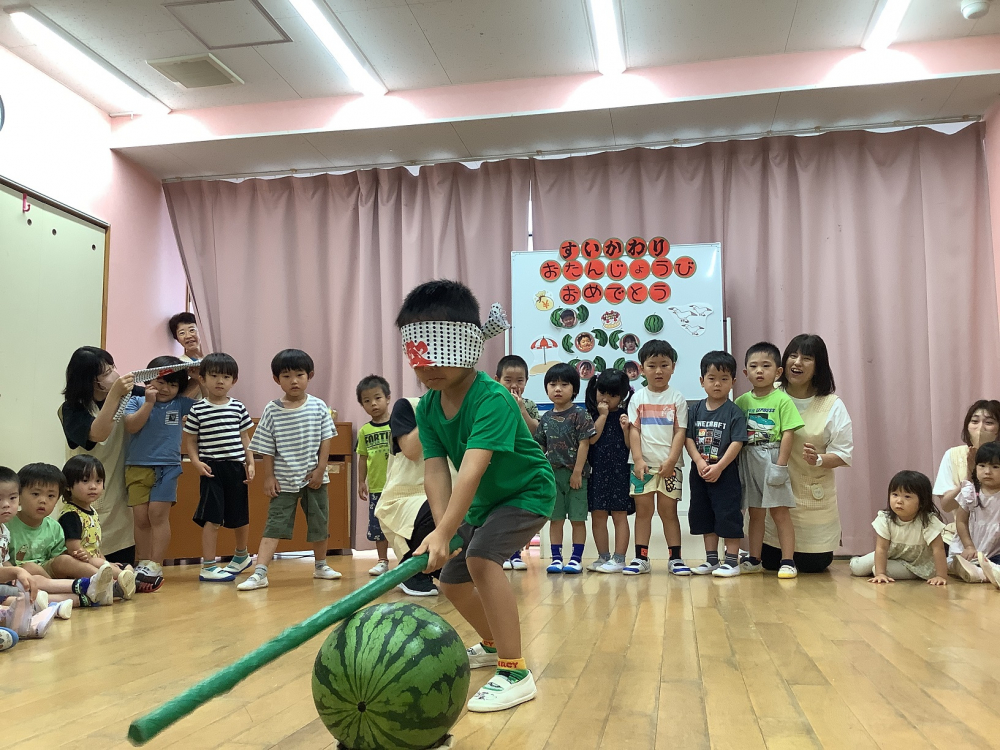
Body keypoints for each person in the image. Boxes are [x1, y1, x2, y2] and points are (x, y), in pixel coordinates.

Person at [399, 280, 555, 712]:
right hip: (487, 503)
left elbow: (472, 467)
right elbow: (435, 469)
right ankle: (492, 642)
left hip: (527, 492)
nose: (428, 364)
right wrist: (440, 532)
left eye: (440, 349)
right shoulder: (429, 406)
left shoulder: (493, 398)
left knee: (481, 559)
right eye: (417, 354)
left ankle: (515, 671)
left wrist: (449, 528)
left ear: (468, 344)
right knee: (451, 581)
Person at [237, 349, 341, 591]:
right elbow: (267, 447)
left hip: (314, 479)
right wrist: (268, 476)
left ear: (309, 375)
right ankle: (260, 572)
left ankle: (321, 565)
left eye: (299, 374)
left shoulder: (318, 406)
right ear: (276, 379)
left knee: (319, 523)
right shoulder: (272, 410)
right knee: (274, 524)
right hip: (283, 481)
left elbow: (326, 439)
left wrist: (320, 469)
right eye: (286, 376)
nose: (293, 380)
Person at [763, 334, 853, 573]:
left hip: (812, 501)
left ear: (819, 366)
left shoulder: (831, 404)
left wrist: (820, 458)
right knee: (770, 562)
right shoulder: (769, 394)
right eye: (793, 355)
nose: (797, 362)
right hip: (775, 499)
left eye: (807, 358)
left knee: (814, 566)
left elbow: (844, 454)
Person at [59, 346, 138, 567]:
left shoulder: (127, 397)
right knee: (88, 565)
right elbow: (97, 433)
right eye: (105, 372)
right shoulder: (70, 410)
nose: (114, 374)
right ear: (90, 380)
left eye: (113, 367)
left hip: (120, 498)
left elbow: (161, 394)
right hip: (86, 496)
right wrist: (115, 394)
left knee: (122, 568)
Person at [124, 356, 196, 592]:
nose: (166, 388)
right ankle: (142, 562)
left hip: (168, 466)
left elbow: (205, 398)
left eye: (173, 384)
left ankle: (156, 564)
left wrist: (195, 376)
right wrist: (148, 402)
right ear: (148, 380)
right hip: (136, 466)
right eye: (161, 382)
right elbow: (132, 426)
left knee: (157, 515)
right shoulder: (135, 400)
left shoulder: (180, 404)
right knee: (141, 518)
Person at [182, 353, 255, 583]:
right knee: (212, 518)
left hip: (236, 467)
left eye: (226, 376)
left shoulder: (238, 407)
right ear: (202, 379)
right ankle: (209, 564)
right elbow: (190, 440)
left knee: (240, 514)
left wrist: (250, 462)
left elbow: (246, 438)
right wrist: (195, 462)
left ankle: (242, 555)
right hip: (211, 468)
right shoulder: (198, 409)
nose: (220, 381)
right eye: (214, 376)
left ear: (234, 380)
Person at [734, 342, 804, 578]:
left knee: (780, 512)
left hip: (773, 457)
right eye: (753, 366)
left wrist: (780, 465)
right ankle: (754, 558)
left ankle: (787, 561)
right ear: (745, 373)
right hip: (748, 458)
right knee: (755, 513)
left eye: (766, 365)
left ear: (778, 372)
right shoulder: (741, 402)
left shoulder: (782, 400)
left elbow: (788, 433)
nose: (759, 371)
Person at [375, 395, 456, 596]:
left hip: (452, 489)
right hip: (407, 495)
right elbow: (411, 449)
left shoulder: (468, 408)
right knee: (436, 508)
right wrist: (436, 410)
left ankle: (443, 568)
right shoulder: (408, 406)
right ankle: (412, 572)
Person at [6, 464, 115, 606]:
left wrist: (75, 557)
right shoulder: (7, 524)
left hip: (47, 573)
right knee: (29, 567)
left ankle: (106, 583)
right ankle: (81, 591)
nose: (43, 500)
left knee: (64, 560)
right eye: (35, 494)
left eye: (51, 496)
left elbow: (58, 559)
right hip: (21, 577)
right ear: (18, 496)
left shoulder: (54, 527)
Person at [626, 339, 690, 576]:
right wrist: (638, 460)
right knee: (643, 512)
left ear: (673, 367)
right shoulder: (637, 398)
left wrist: (672, 460)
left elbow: (680, 431)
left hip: (669, 467)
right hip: (641, 466)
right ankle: (641, 558)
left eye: (664, 365)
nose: (659, 371)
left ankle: (675, 558)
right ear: (642, 369)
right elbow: (635, 430)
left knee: (668, 511)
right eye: (652, 365)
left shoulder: (677, 398)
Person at [685, 352, 747, 578]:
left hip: (725, 472)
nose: (717, 383)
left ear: (733, 382)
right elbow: (688, 438)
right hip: (700, 471)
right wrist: (700, 461)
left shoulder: (734, 412)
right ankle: (711, 559)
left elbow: (738, 441)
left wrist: (719, 466)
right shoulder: (694, 410)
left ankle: (731, 561)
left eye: (723, 378)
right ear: (702, 381)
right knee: (704, 515)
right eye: (711, 378)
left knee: (728, 515)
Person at [536, 363, 596, 575]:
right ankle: (556, 558)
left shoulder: (580, 414)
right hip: (552, 476)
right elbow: (540, 446)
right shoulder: (545, 418)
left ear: (575, 389)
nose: (558, 389)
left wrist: (578, 472)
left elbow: (584, 443)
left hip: (576, 476)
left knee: (578, 519)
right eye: (552, 384)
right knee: (556, 519)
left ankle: (576, 558)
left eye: (564, 384)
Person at [931, 400, 1000, 576]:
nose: (981, 428)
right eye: (975, 421)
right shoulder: (953, 455)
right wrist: (969, 475)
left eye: (989, 422)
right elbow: (947, 506)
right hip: (964, 537)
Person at [849, 471, 948, 585]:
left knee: (876, 569)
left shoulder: (928, 522)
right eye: (895, 494)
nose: (899, 501)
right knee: (857, 569)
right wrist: (881, 574)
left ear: (922, 501)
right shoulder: (886, 519)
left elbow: (938, 549)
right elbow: (881, 548)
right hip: (890, 555)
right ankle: (857, 561)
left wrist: (941, 576)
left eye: (907, 496)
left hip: (916, 565)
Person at [58, 456, 137, 599]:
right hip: (81, 563)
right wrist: (95, 560)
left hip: (95, 560)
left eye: (98, 481)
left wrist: (108, 562)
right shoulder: (71, 515)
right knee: (101, 564)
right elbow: (73, 548)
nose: (93, 486)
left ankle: (122, 579)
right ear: (68, 485)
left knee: (125, 565)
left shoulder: (92, 512)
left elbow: (96, 546)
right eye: (85, 481)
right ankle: (128, 581)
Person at [584, 369, 634, 573]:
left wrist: (625, 429)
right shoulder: (592, 415)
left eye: (613, 395)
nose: (606, 398)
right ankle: (603, 556)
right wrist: (603, 416)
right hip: (597, 472)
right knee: (598, 515)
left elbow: (630, 445)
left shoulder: (625, 416)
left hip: (620, 472)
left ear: (622, 397)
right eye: (602, 393)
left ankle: (619, 558)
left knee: (619, 515)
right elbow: (592, 439)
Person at [496, 355, 539, 571]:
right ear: (497, 380)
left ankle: (516, 553)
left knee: (516, 511)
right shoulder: (493, 403)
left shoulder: (529, 405)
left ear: (526, 382)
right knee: (499, 510)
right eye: (508, 380)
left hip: (521, 464)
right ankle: (501, 553)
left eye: (520, 380)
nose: (514, 385)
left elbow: (535, 431)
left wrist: (521, 409)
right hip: (499, 465)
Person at [939, 441, 1000, 583]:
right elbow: (961, 521)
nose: (987, 471)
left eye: (995, 467)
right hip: (971, 547)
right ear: (975, 467)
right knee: (961, 560)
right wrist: (969, 546)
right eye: (982, 466)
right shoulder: (970, 491)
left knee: (994, 563)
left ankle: (984, 572)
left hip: (995, 551)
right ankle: (973, 571)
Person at [356, 375, 393, 577]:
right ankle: (382, 560)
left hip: (397, 486)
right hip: (377, 487)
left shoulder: (398, 424)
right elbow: (362, 458)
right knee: (378, 526)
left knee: (399, 524)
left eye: (377, 398)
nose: (373, 404)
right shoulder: (365, 431)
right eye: (367, 401)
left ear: (388, 398)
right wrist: (361, 481)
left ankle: (407, 558)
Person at [168, 312, 206, 398]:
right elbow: (181, 400)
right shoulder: (179, 364)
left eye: (192, 330)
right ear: (177, 339)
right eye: (182, 333)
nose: (188, 336)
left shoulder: (214, 357)